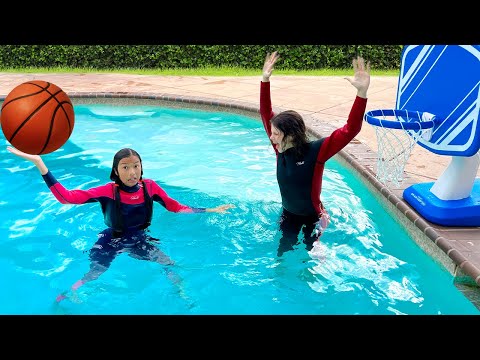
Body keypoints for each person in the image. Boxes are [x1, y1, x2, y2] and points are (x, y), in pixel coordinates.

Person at [7, 146, 234, 302]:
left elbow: (175, 207)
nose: (132, 172)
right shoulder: (107, 191)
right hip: (111, 239)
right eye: (125, 167)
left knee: (169, 263)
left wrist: (210, 210)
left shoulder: (150, 187)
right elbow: (67, 198)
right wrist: (40, 164)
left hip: (139, 239)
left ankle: (183, 295)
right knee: (95, 272)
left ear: (142, 167)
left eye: (136, 166)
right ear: (116, 171)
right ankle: (69, 294)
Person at [260, 51, 370, 257]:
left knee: (312, 258)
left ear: (290, 135)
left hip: (314, 218)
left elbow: (350, 129)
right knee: (282, 254)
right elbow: (266, 113)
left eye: (276, 133)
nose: (271, 137)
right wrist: (264, 80)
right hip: (288, 215)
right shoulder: (280, 148)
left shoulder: (317, 151)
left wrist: (361, 93)